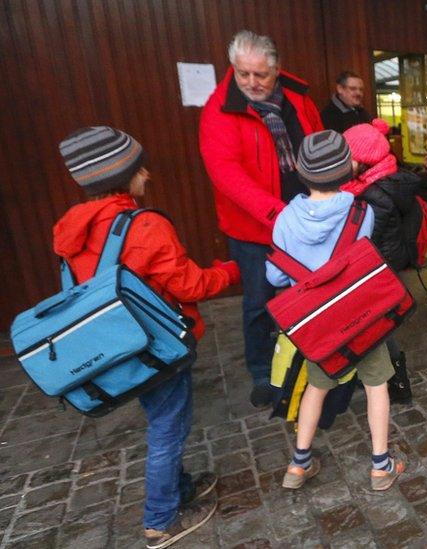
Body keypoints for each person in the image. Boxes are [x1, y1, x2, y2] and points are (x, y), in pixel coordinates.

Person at [54, 126, 240, 548]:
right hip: (156, 346)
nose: (148, 174)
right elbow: (189, 286)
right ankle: (160, 519)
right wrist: (229, 271)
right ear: (121, 175)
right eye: (140, 167)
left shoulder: (71, 228)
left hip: (117, 346)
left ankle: (181, 486)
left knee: (161, 418)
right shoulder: (144, 226)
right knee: (168, 427)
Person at [266, 130, 406, 491]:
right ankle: (380, 466)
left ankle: (298, 465)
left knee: (316, 386)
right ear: (349, 168)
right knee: (377, 386)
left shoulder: (283, 220)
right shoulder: (363, 212)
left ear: (301, 170)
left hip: (321, 326)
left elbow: (275, 274)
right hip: (362, 319)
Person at [199, 30, 324, 408]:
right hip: (255, 228)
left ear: (276, 69)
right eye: (243, 74)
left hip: (305, 218)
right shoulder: (219, 109)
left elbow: (318, 142)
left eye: (261, 75)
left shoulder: (298, 98)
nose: (252, 82)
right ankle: (261, 371)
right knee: (259, 303)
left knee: (311, 294)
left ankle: (312, 358)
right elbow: (227, 175)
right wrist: (277, 214)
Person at [342, 118, 427, 404]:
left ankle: (398, 382)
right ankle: (383, 377)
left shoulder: (375, 195)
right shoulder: (381, 183)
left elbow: (363, 239)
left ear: (364, 161)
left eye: (347, 156)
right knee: (375, 326)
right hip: (384, 263)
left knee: (376, 329)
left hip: (378, 267)